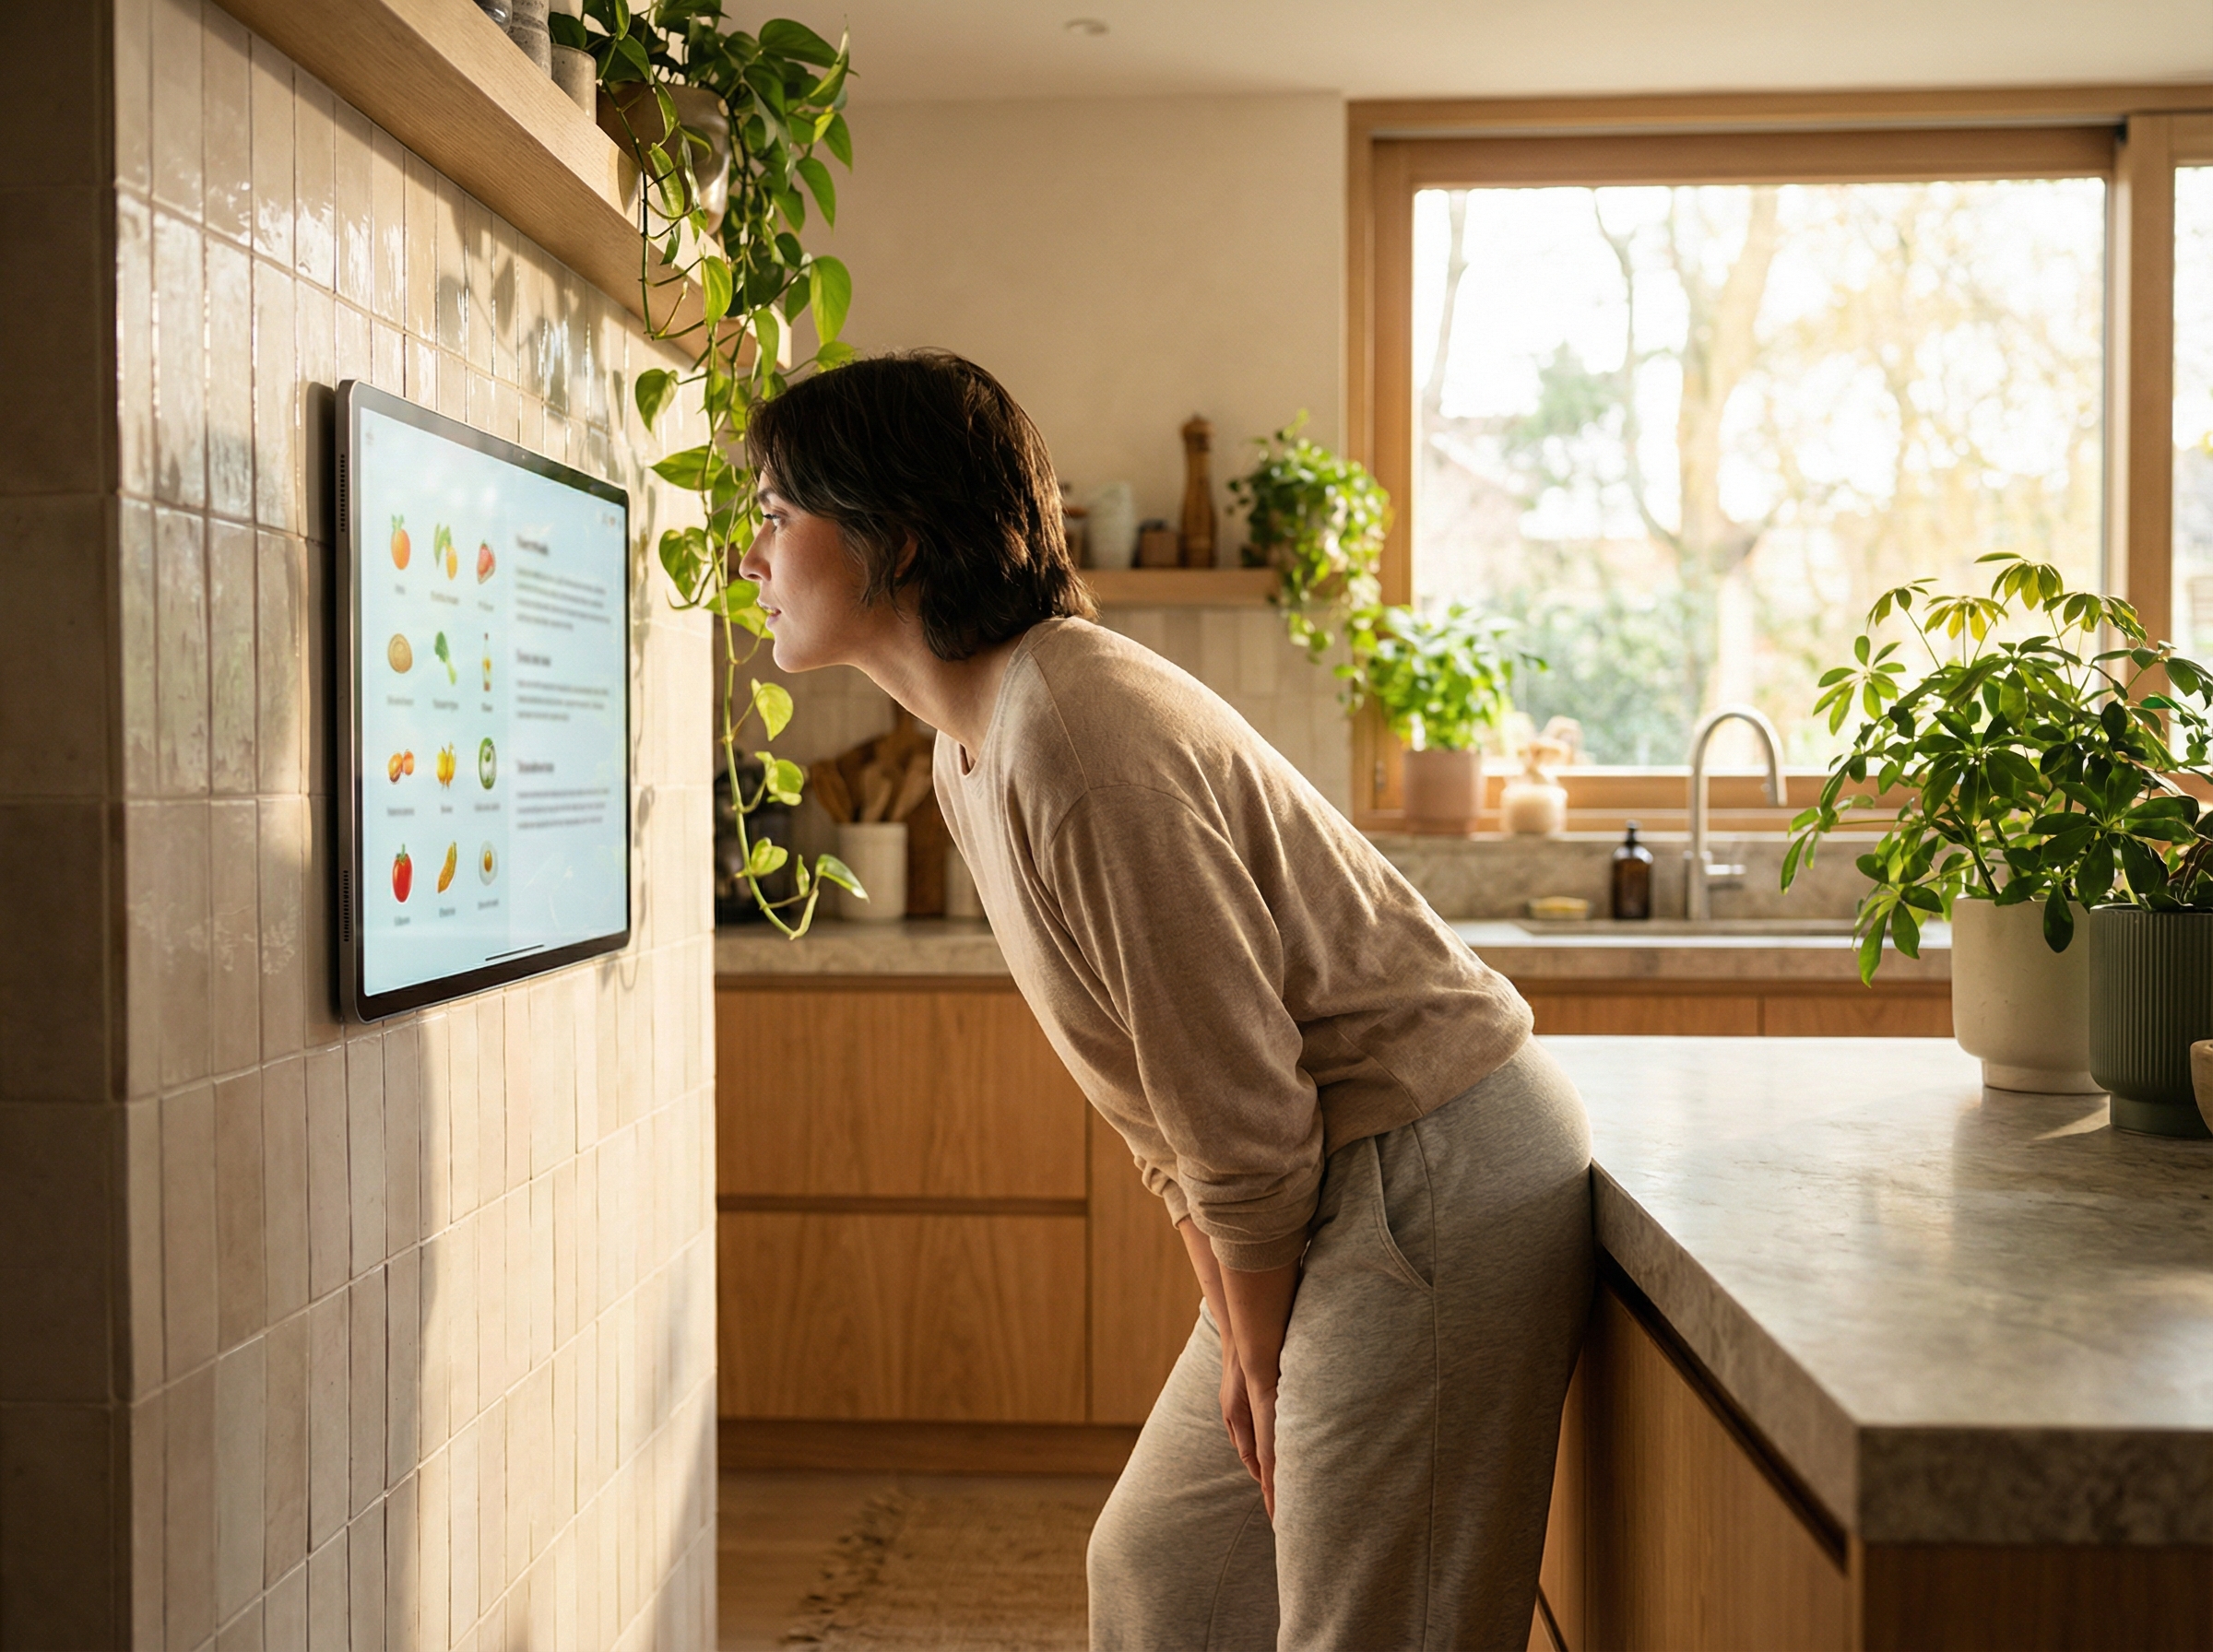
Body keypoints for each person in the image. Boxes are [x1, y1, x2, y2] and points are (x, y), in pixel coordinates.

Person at [737, 349, 1593, 1651]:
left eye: (776, 516)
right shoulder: (972, 752)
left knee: (1370, 1625)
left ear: (894, 539)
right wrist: (1238, 1330)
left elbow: (1240, 1108)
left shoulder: (1076, 732)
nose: (750, 555)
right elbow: (1173, 1117)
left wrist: (1262, 1356)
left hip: (1428, 1174)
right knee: (1166, 1575)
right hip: (1318, 1181)